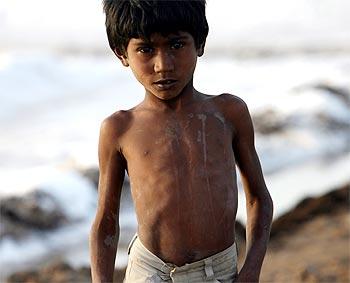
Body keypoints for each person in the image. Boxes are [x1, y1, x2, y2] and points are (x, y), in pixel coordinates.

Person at [90, 0, 273, 282]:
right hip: (149, 272)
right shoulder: (119, 129)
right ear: (121, 53)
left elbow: (259, 199)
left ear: (199, 44)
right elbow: (106, 221)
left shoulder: (228, 113)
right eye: (146, 49)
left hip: (219, 273)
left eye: (176, 45)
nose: (163, 65)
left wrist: (251, 269)